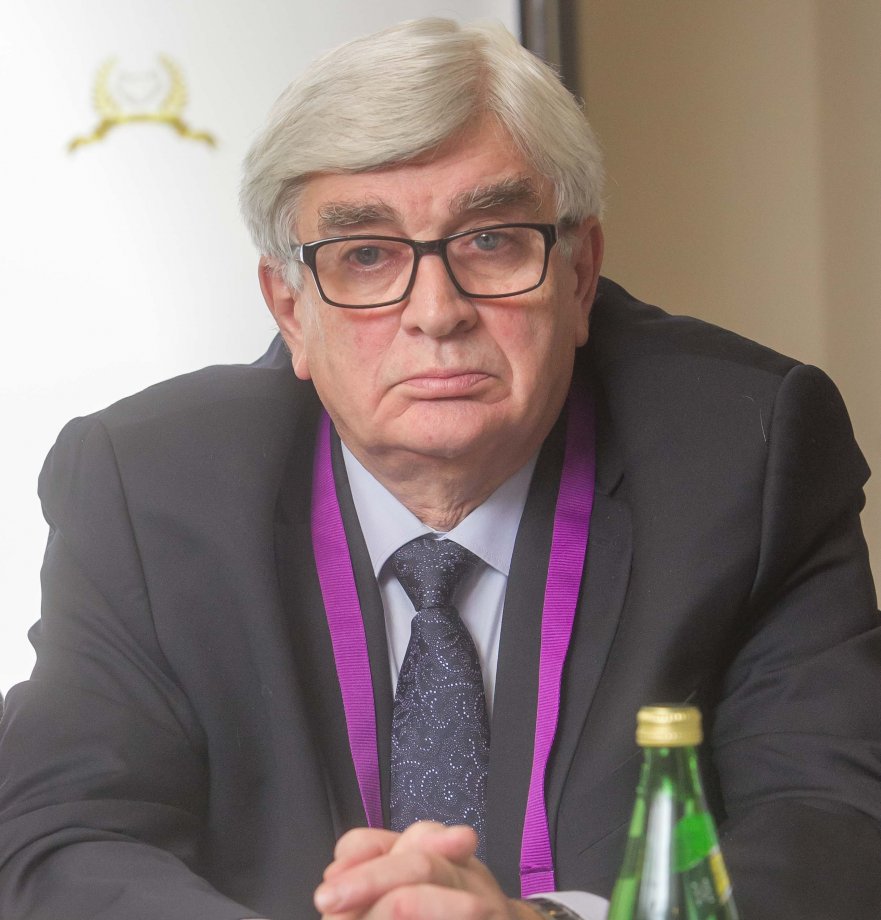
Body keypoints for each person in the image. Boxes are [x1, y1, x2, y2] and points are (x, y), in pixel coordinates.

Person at [1, 17, 879, 920]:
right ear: (289, 309)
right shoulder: (147, 489)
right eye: (365, 255)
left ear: (579, 276)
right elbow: (59, 835)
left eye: (490, 240)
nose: (435, 312)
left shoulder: (745, 456)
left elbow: (838, 822)